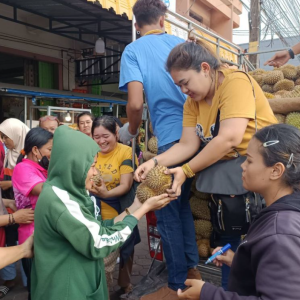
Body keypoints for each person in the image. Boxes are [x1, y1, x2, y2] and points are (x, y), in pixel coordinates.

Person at [135, 37, 278, 291]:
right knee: (228, 240)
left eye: (185, 82)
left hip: (263, 172)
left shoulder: (235, 82)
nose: (183, 90)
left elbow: (230, 137)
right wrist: (155, 161)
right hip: (230, 180)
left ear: (204, 68)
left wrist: (186, 170)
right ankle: (227, 293)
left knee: (263, 240)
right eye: (178, 85)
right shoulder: (192, 103)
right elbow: (187, 145)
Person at [30, 125, 175, 300]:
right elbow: (100, 242)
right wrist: (143, 209)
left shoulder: (69, 192)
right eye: (91, 166)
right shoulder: (60, 201)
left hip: (78, 280)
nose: (95, 172)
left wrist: (137, 205)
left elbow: (97, 229)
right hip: (67, 289)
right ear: (74, 164)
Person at [119, 1, 200, 297]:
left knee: (166, 212)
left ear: (137, 25)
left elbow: (136, 103)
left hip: (170, 139)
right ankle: (191, 268)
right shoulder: (181, 44)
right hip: (198, 135)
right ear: (163, 19)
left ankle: (178, 284)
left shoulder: (133, 50)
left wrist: (131, 129)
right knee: (181, 210)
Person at [176, 124, 300, 300]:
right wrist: (239, 261)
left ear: (276, 170)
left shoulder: (280, 232)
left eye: (249, 160)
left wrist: (207, 294)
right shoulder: (282, 215)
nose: (242, 166)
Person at [89, 116, 139, 295]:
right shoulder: (89, 153)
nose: (101, 141)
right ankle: (103, 291)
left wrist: (105, 193)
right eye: (96, 137)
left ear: (116, 133)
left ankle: (124, 283)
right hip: (93, 213)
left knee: (126, 248)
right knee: (104, 262)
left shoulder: (125, 152)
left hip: (119, 209)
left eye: (105, 136)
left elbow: (126, 185)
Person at [12, 127, 53, 300]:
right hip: (32, 239)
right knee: (38, 289)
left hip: (45, 236)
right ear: (36, 150)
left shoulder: (40, 168)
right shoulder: (23, 168)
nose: (53, 154)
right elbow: (44, 190)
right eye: (50, 150)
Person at [0, 118, 29, 297]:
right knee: (10, 241)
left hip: (23, 208)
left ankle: (28, 282)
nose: (4, 141)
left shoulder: (28, 153)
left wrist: (9, 185)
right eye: (2, 137)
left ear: (16, 134)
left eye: (6, 137)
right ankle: (9, 279)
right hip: (9, 208)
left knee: (25, 241)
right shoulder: (9, 153)